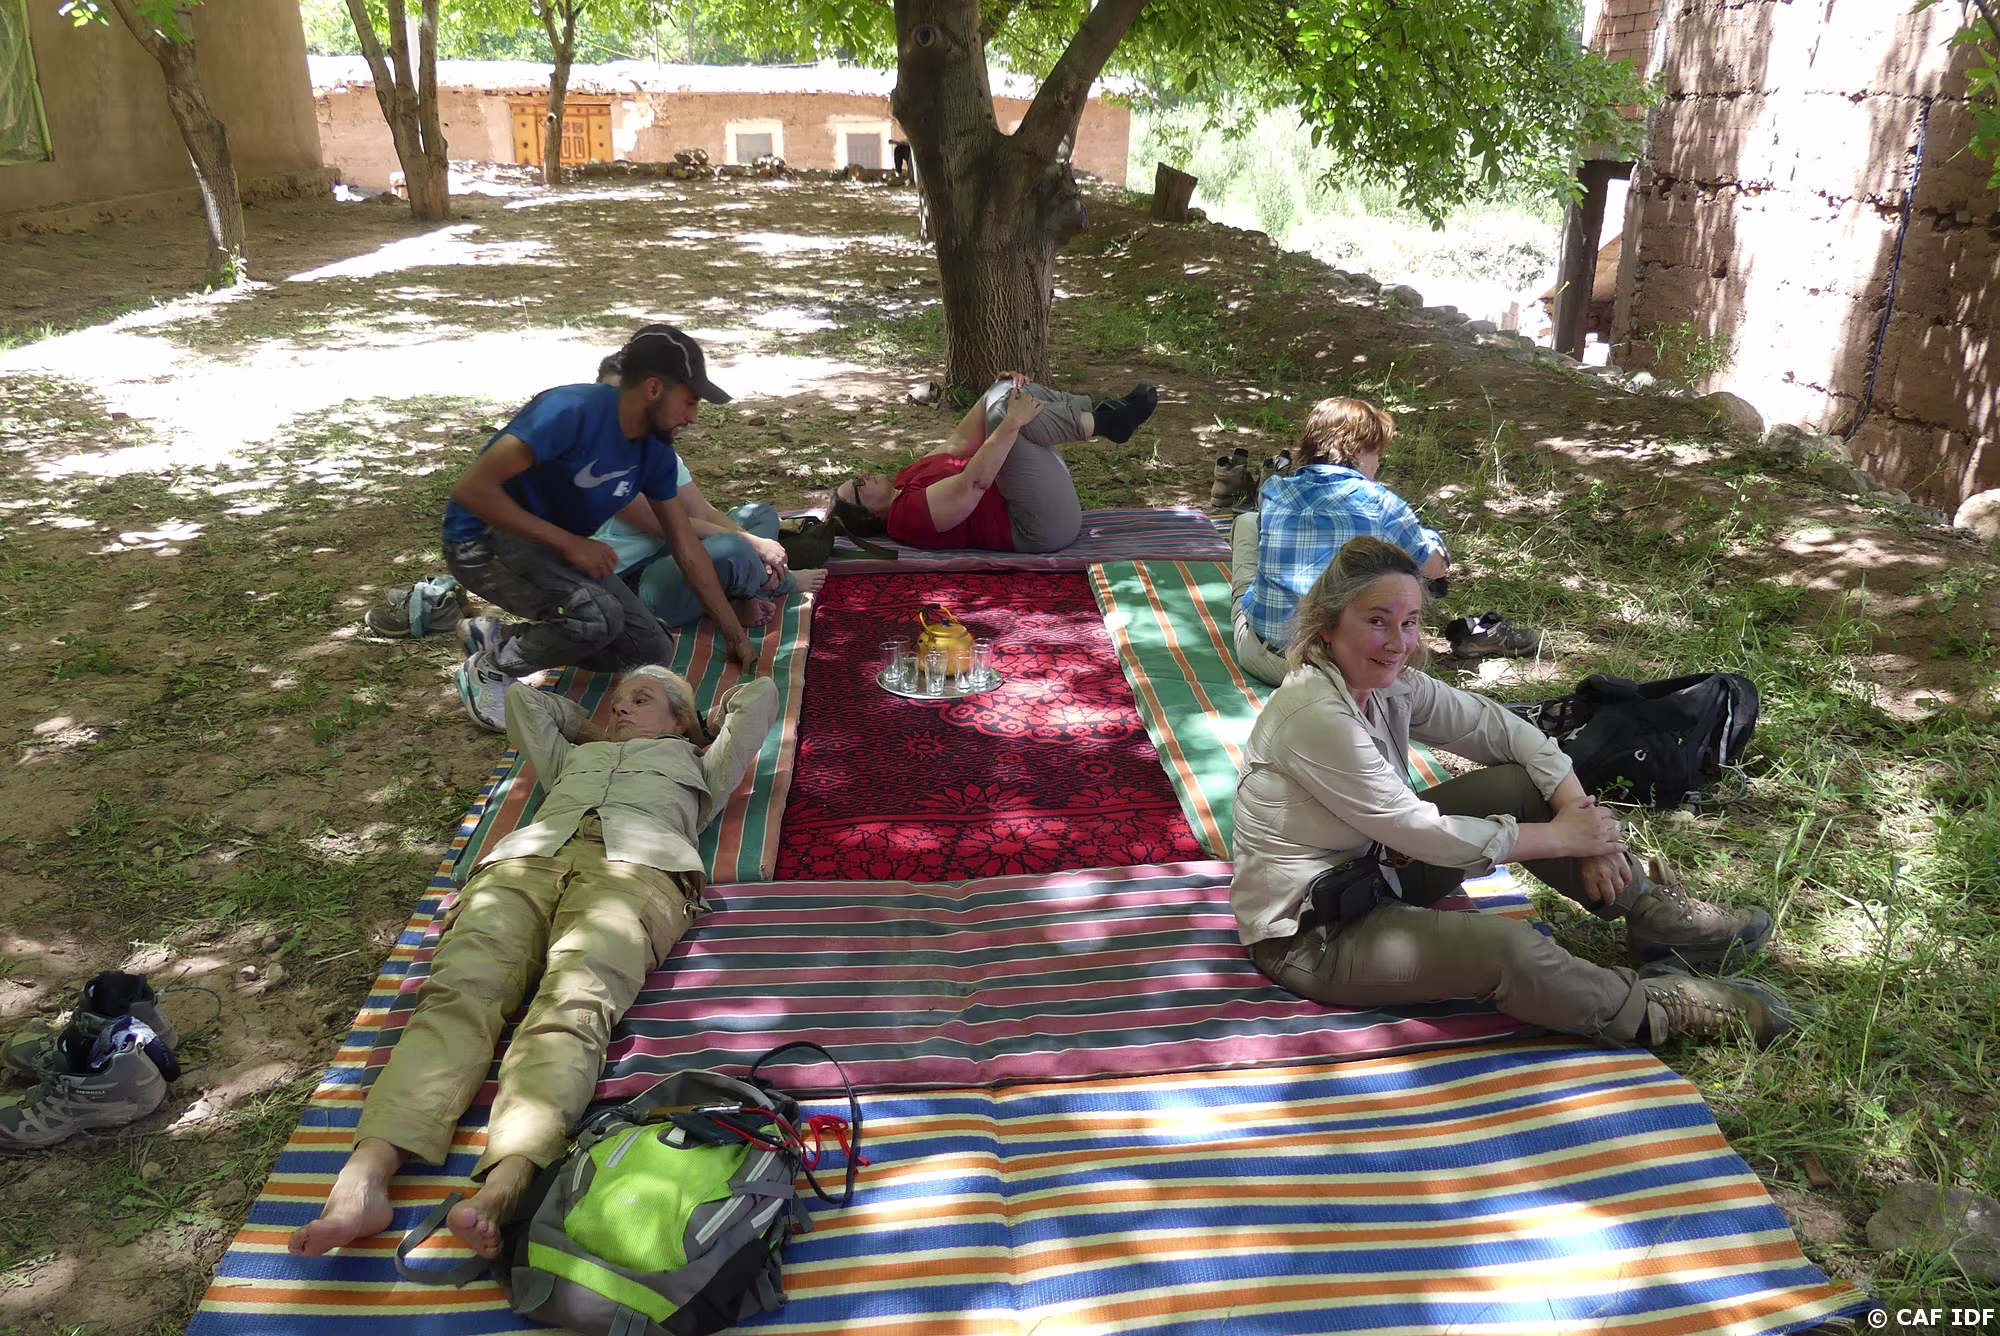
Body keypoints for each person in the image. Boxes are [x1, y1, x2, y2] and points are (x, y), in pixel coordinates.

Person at [288, 666, 780, 1261]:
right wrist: (593, 727)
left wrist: (706, 723)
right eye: (616, 701)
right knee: (459, 991)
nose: (621, 708)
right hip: (526, 862)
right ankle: (366, 1176)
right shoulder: (573, 756)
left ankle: (506, 1182)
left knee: (573, 1004)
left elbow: (761, 697)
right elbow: (524, 700)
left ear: (680, 720)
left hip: (637, 871)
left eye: (642, 699)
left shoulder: (702, 765)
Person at [1230, 536, 1794, 1049]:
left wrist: (1578, 819)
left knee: (1523, 785)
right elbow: (1417, 831)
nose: (1398, 642)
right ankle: (1652, 1009)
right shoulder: (1315, 715)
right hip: (1314, 933)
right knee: (1510, 950)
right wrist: (1562, 838)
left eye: (1410, 622)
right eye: (1378, 621)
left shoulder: (1387, 684)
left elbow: (1502, 729)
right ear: (1327, 625)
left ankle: (1652, 916)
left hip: (1378, 870)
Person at [444, 326, 757, 731]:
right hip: (480, 539)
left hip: (551, 545)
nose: (693, 417)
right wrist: (570, 543)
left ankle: (507, 639)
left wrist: (735, 635)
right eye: (690, 400)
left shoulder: (656, 451)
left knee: (649, 649)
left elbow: (686, 545)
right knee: (598, 616)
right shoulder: (567, 410)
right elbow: (472, 490)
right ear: (653, 389)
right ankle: (493, 668)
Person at [1232, 397, 1450, 687]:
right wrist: (1434, 541)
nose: (1378, 463)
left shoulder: (1274, 490)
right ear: (1358, 451)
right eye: (1377, 453)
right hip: (1341, 669)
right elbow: (1434, 568)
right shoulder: (1382, 505)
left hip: (1263, 657)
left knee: (1247, 522)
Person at [827, 375, 1158, 554]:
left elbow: (958, 442)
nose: (864, 476)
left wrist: (993, 392)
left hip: (1031, 504)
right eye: (858, 486)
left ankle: (1105, 411)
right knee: (1005, 414)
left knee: (1006, 392)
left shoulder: (903, 481)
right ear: (869, 513)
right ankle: (1107, 423)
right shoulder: (906, 516)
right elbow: (974, 484)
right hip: (1040, 529)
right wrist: (1010, 421)